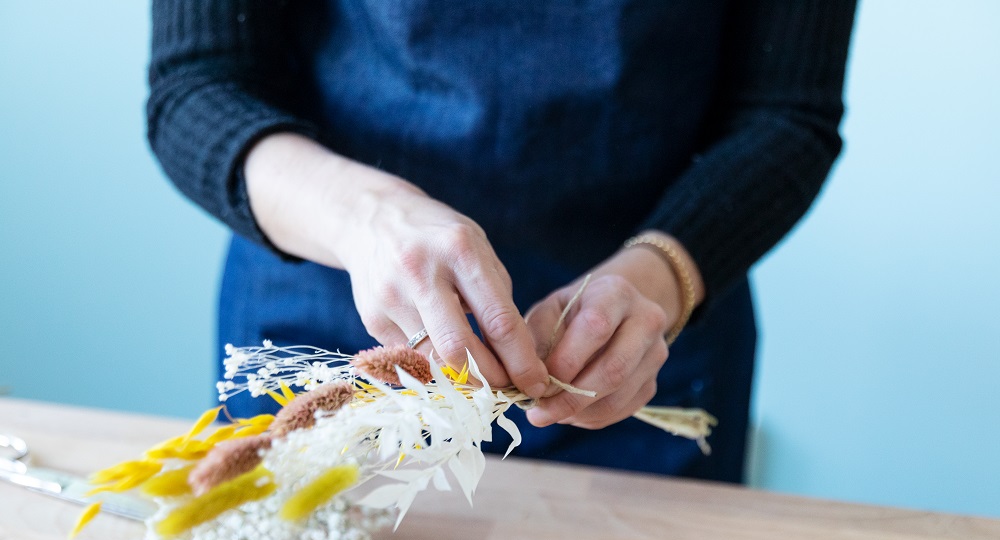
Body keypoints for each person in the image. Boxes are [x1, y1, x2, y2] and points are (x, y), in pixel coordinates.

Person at [147, 0, 856, 483]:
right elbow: (198, 84)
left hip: (641, 357)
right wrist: (364, 219)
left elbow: (787, 112)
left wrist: (658, 277)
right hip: (330, 328)